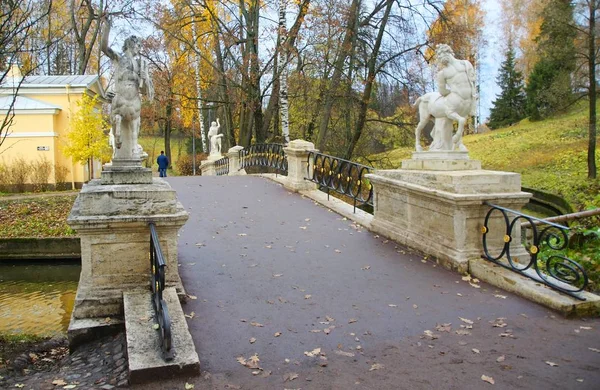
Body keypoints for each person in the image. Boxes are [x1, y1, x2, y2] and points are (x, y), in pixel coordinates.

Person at [101, 16, 154, 160]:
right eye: (138, 46)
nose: (139, 49)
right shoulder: (119, 58)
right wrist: (107, 27)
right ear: (131, 45)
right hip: (123, 94)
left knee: (135, 121)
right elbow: (104, 47)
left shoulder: (141, 64)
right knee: (126, 119)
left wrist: (145, 78)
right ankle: (122, 139)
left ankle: (133, 147)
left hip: (132, 96)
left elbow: (145, 90)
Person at [414, 44, 477, 152]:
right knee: (453, 118)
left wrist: (473, 97)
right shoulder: (442, 74)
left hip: (467, 99)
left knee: (462, 118)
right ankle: (419, 143)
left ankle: (458, 143)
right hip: (455, 98)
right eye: (438, 56)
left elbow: (472, 80)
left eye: (440, 54)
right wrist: (451, 94)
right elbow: (442, 91)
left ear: (448, 52)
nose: (440, 58)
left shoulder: (465, 64)